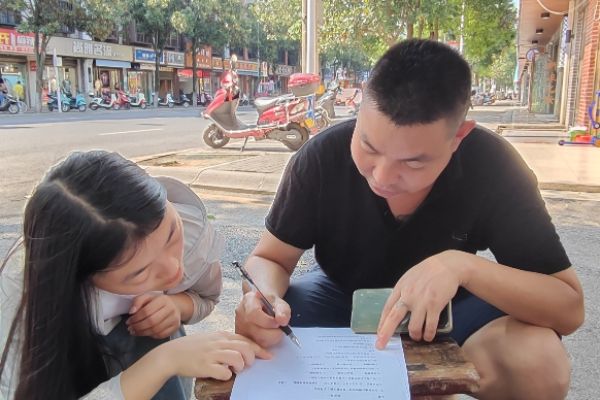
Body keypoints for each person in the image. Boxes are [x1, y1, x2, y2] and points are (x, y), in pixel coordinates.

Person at [234, 39, 584, 399]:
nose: (382, 177)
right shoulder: (322, 157)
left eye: (414, 162)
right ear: (359, 108)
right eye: (369, 147)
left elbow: (568, 307)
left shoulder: (492, 166)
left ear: (458, 137)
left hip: (450, 307)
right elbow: (269, 259)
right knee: (264, 342)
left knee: (540, 365)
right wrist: (264, 297)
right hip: (340, 297)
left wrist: (462, 267)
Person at [1, 150, 269, 400]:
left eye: (171, 235)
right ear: (83, 279)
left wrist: (177, 305)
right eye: (140, 273)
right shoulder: (24, 308)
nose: (174, 271)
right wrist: (164, 361)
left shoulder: (187, 230)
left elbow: (206, 298)